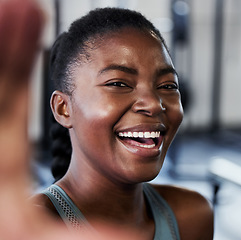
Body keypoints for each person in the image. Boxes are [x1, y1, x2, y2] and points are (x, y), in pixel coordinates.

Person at [29, 5, 214, 240]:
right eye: (118, 83)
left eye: (168, 86)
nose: (154, 104)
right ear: (63, 109)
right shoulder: (35, 230)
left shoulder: (192, 215)